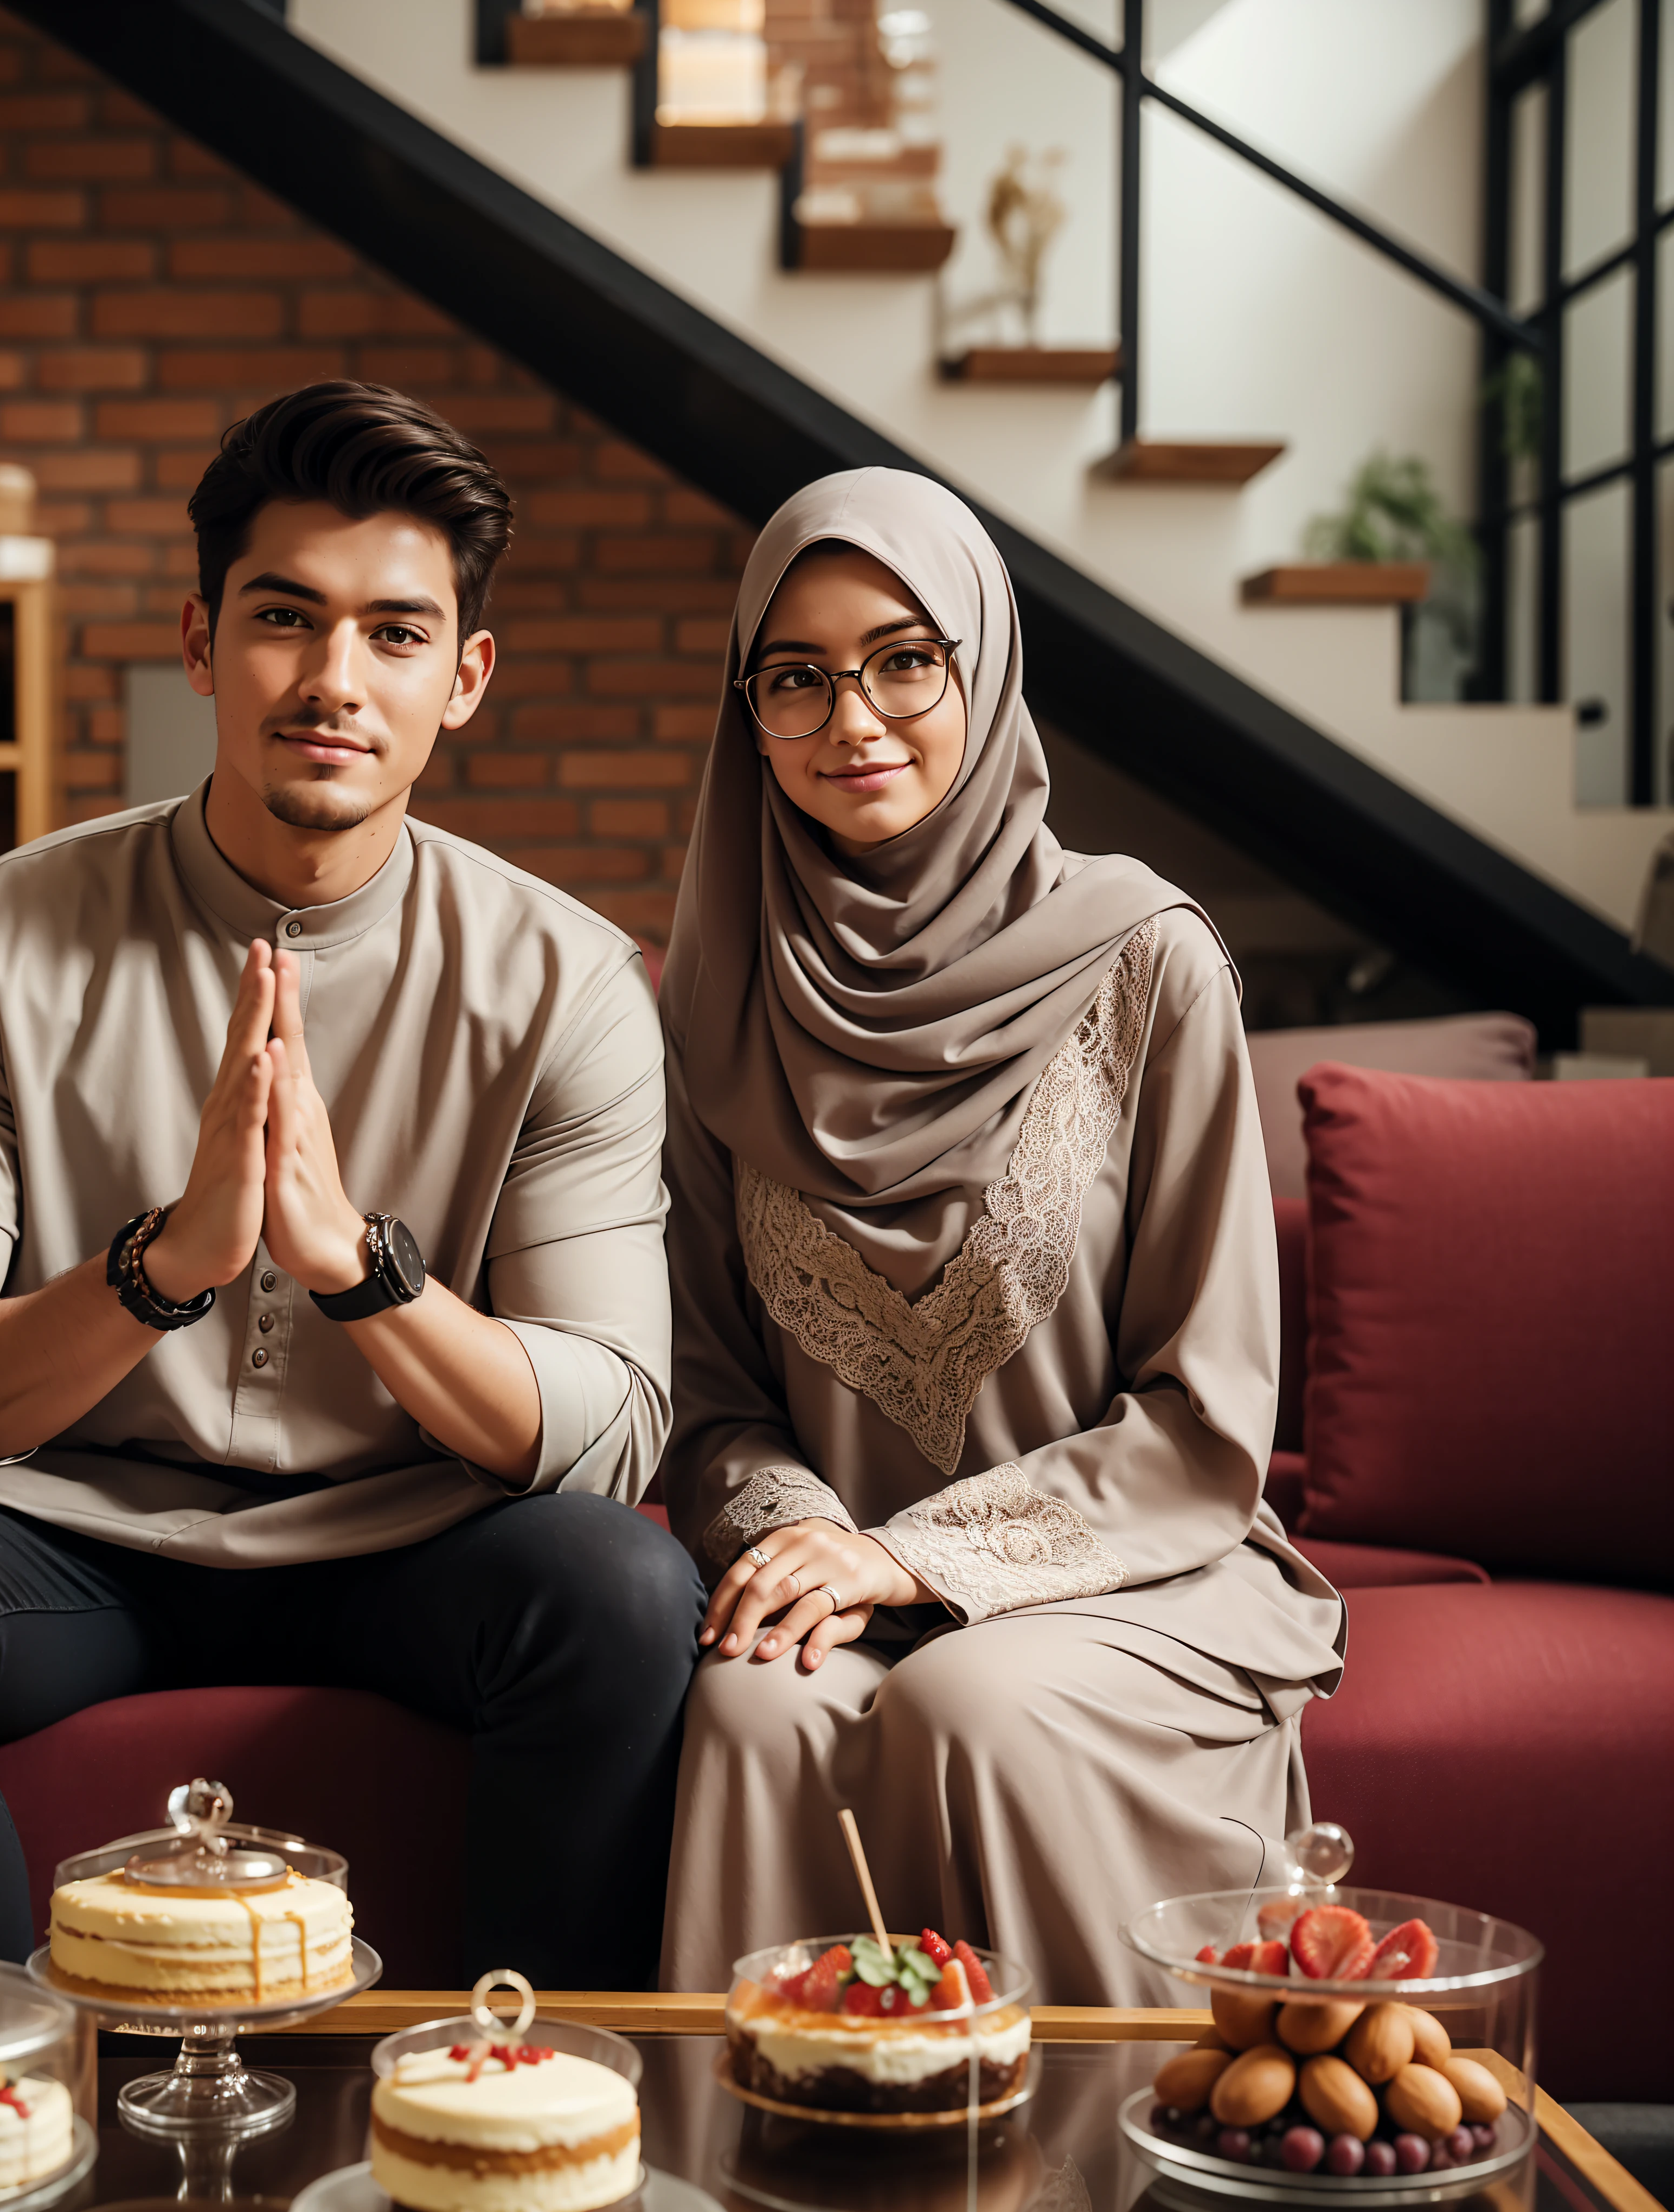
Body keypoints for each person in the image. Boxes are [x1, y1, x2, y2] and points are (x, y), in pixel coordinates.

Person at [0, 381, 702, 1988]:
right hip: (77, 1538)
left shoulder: (573, 983)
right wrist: (159, 1272)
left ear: (464, 679)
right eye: (286, 619)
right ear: (201, 642)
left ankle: (523, 2113)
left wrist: (363, 1276)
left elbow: (608, 1426)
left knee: (617, 1584)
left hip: (417, 1542)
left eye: (397, 634)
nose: (334, 680)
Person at [655, 468, 1345, 2000]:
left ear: (986, 661)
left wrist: (908, 1557)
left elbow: (1202, 1415)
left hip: (1129, 1573)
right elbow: (709, 1398)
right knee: (752, 1712)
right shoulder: (718, 1004)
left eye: (907, 658)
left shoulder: (1147, 960)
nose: (857, 719)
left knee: (977, 1699)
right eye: (797, 678)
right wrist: (802, 1551)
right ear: (746, 715)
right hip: (840, 1576)